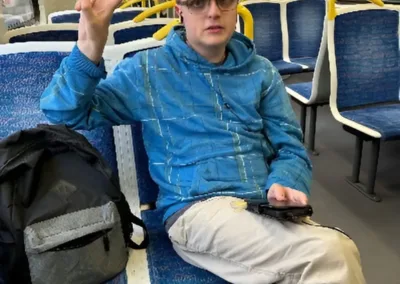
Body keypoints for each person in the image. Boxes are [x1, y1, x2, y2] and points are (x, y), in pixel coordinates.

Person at [39, 0, 366, 282]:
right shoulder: (148, 72)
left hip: (264, 206)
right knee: (333, 254)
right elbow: (64, 112)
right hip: (196, 210)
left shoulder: (261, 73)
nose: (213, 12)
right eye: (197, 1)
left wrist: (285, 179)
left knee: (322, 263)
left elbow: (290, 147)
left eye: (223, 0)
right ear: (180, 11)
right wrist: (90, 42)